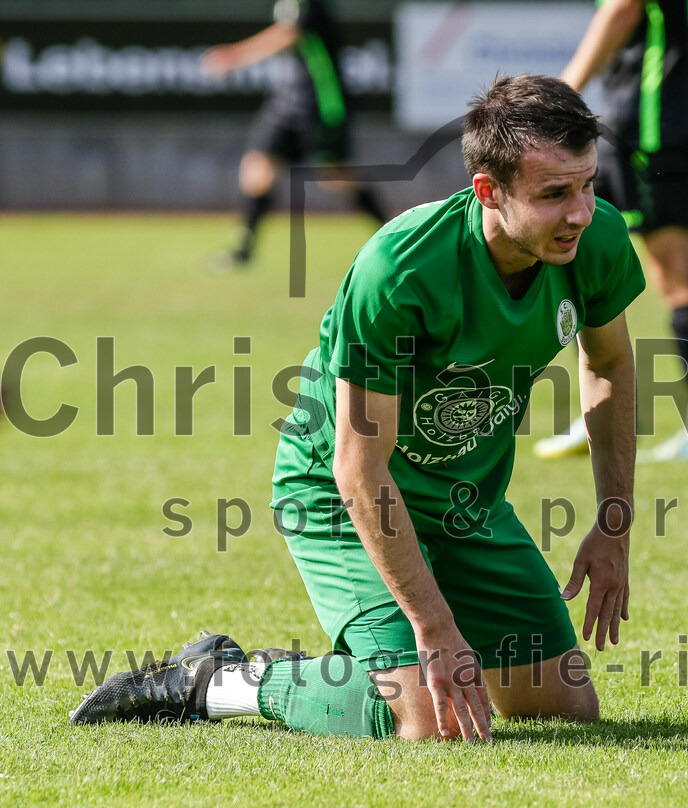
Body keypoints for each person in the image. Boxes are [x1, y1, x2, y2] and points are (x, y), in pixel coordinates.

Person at [71, 75, 645, 742]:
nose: (581, 211)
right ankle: (221, 680)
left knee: (563, 709)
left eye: (588, 185)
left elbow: (608, 364)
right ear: (488, 191)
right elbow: (358, 467)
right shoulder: (400, 271)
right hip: (338, 493)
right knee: (430, 722)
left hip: (464, 502)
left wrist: (613, 525)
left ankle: (381, 658)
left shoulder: (595, 239)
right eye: (554, 194)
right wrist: (434, 629)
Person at [534, 0, 688, 460]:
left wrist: (559, 98)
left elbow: (621, 10)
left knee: (676, 276)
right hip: (654, 126)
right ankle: (595, 413)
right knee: (578, 257)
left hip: (644, 130)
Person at [202, 0, 387, 270]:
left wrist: (234, 55)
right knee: (258, 166)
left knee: (335, 177)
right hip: (286, 101)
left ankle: (395, 233)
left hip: (321, 101)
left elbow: (289, 32)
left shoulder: (310, 3)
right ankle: (244, 249)